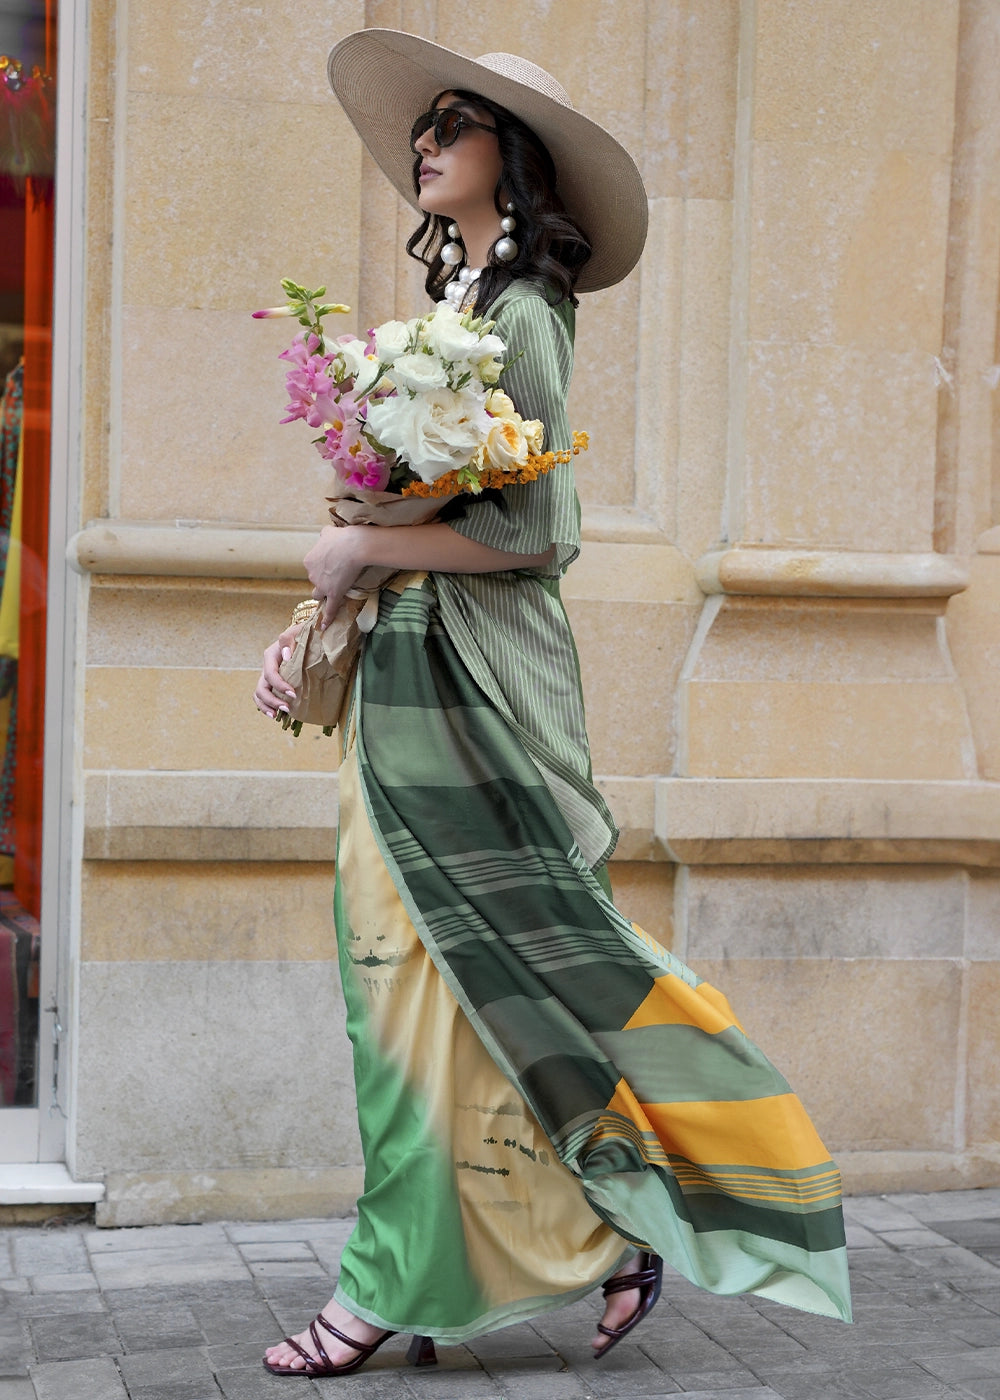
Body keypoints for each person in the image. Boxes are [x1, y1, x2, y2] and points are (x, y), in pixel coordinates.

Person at [253, 28, 852, 1381]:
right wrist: (315, 615)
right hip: (405, 681)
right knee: (423, 996)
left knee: (417, 991)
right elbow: (406, 514)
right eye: (426, 122)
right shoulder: (457, 311)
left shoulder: (521, 315)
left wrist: (365, 552)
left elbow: (536, 535)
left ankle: (398, 1280)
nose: (428, 139)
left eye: (456, 122)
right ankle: (596, 1229)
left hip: (465, 701)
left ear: (512, 160)